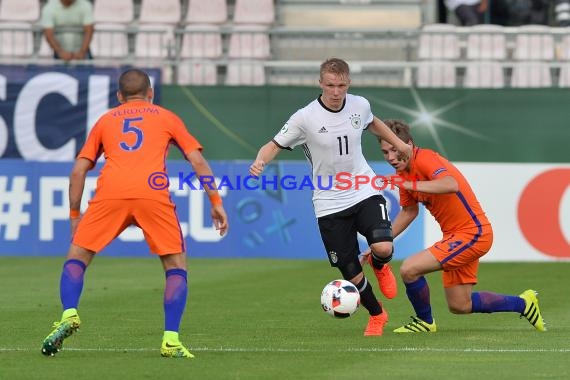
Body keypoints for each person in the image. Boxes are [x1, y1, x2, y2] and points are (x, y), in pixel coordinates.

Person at [41, 69, 228, 358]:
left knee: (77, 258)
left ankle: (68, 314)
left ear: (119, 96)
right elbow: (197, 160)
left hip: (110, 194)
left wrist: (74, 215)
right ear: (150, 93)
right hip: (152, 194)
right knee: (175, 265)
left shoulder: (105, 120)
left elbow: (78, 170)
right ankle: (170, 339)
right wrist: (215, 201)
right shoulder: (166, 117)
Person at [249, 58, 411, 336]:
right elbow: (273, 145)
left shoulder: (360, 105)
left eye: (342, 86)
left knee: (383, 246)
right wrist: (260, 161)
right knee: (349, 270)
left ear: (348, 83)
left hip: (363, 187)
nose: (336, 92)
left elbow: (374, 124)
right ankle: (377, 314)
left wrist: (397, 144)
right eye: (330, 85)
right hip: (328, 201)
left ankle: (379, 263)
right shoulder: (305, 118)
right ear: (320, 83)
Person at [371, 119, 545, 333]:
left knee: (409, 269)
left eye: (394, 149)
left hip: (474, 234)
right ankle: (523, 304)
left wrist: (409, 184)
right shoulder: (403, 174)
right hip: (456, 237)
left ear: (408, 143)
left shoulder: (425, 158)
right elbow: (409, 212)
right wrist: (381, 241)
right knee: (460, 305)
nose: (390, 158)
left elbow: (450, 184)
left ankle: (425, 322)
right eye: (385, 152)